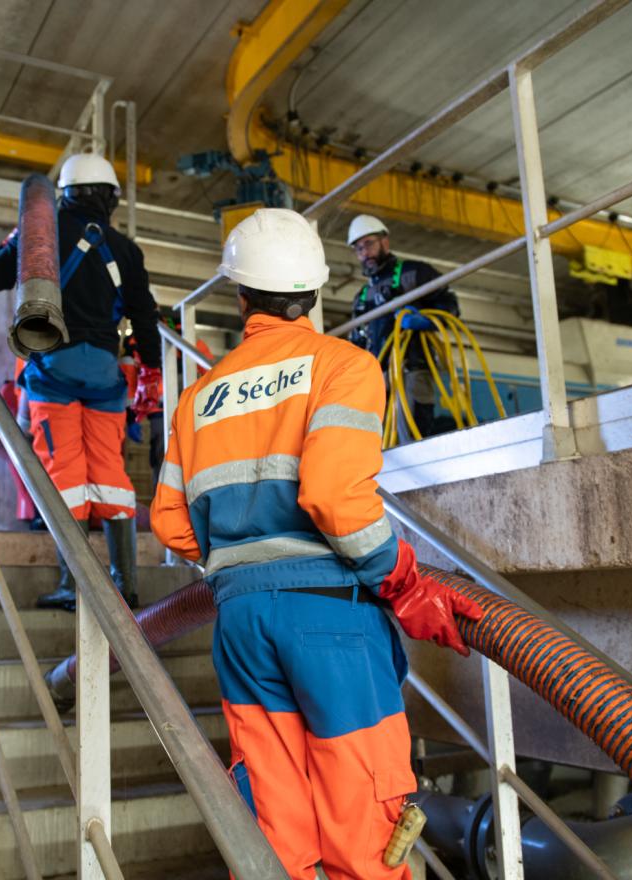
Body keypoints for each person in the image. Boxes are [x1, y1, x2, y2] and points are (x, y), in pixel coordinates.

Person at [151, 208, 482, 880]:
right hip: (331, 617)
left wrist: (239, 555)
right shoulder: (344, 367)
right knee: (365, 829)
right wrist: (404, 583)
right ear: (316, 289)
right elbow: (334, 498)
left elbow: (170, 522)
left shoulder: (199, 396)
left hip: (241, 624)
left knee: (275, 830)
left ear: (239, 295)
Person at [0, 154, 161, 611]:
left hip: (54, 367)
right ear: (110, 199)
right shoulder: (126, 248)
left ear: (63, 194)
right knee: (111, 475)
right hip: (105, 372)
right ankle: (125, 584)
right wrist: (153, 374)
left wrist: (18, 236)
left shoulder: (41, 232)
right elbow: (144, 317)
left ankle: (73, 585)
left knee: (66, 476)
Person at [348, 214, 459, 440]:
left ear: (385, 241)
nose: (365, 253)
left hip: (412, 368)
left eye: (369, 243)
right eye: (359, 249)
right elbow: (356, 342)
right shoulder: (362, 297)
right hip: (377, 375)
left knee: (411, 436)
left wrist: (426, 320)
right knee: (377, 441)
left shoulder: (415, 273)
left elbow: (449, 305)